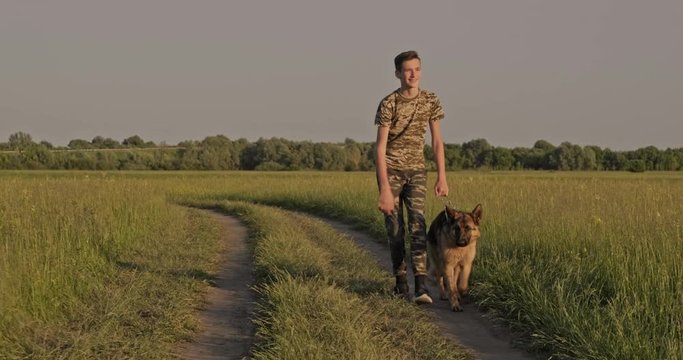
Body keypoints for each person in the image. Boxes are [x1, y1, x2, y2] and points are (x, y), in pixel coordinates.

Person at [374, 50, 449, 304]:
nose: (413, 74)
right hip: (392, 170)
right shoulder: (389, 103)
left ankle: (421, 287)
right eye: (407, 69)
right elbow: (380, 147)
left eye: (417, 69)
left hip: (417, 170)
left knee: (418, 225)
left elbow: (437, 142)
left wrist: (442, 176)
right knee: (395, 229)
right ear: (398, 73)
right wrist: (384, 187)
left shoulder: (430, 100)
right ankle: (400, 283)